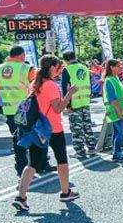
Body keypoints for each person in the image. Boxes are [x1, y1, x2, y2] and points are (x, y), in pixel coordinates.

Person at [12, 55, 79, 212]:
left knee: (32, 164)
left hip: (38, 128)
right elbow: (57, 108)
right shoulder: (51, 85)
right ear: (52, 67)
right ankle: (65, 192)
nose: (60, 70)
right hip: (53, 128)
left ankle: (21, 197)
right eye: (59, 67)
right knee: (62, 160)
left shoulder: (34, 84)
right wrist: (69, 93)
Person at [0, 46, 38, 178]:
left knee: (17, 140)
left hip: (9, 110)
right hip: (26, 109)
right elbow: (36, 86)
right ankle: (39, 165)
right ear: (22, 55)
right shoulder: (26, 68)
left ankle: (21, 168)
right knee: (34, 137)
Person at [60, 52, 95, 159]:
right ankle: (91, 147)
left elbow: (65, 87)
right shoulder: (84, 68)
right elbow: (90, 84)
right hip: (85, 101)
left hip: (74, 102)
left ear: (65, 60)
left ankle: (80, 151)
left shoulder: (67, 70)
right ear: (75, 57)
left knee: (76, 128)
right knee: (87, 126)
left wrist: (67, 104)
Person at [101, 59, 123, 161]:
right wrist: (119, 113)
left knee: (117, 132)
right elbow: (113, 100)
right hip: (116, 112)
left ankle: (116, 153)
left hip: (118, 111)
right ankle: (117, 153)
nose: (121, 67)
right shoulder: (109, 80)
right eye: (118, 66)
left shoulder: (115, 78)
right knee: (122, 132)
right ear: (112, 67)